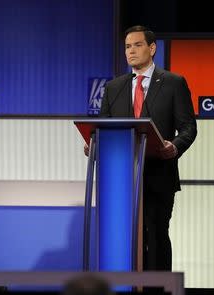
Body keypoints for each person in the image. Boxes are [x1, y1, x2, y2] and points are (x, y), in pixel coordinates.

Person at [99, 25, 197, 270]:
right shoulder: (114, 88)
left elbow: (188, 128)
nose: (131, 51)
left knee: (155, 236)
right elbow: (102, 128)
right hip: (121, 179)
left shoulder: (173, 83)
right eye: (127, 47)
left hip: (158, 176)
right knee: (123, 240)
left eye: (137, 45)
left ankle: (159, 288)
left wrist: (174, 147)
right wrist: (96, 145)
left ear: (152, 48)